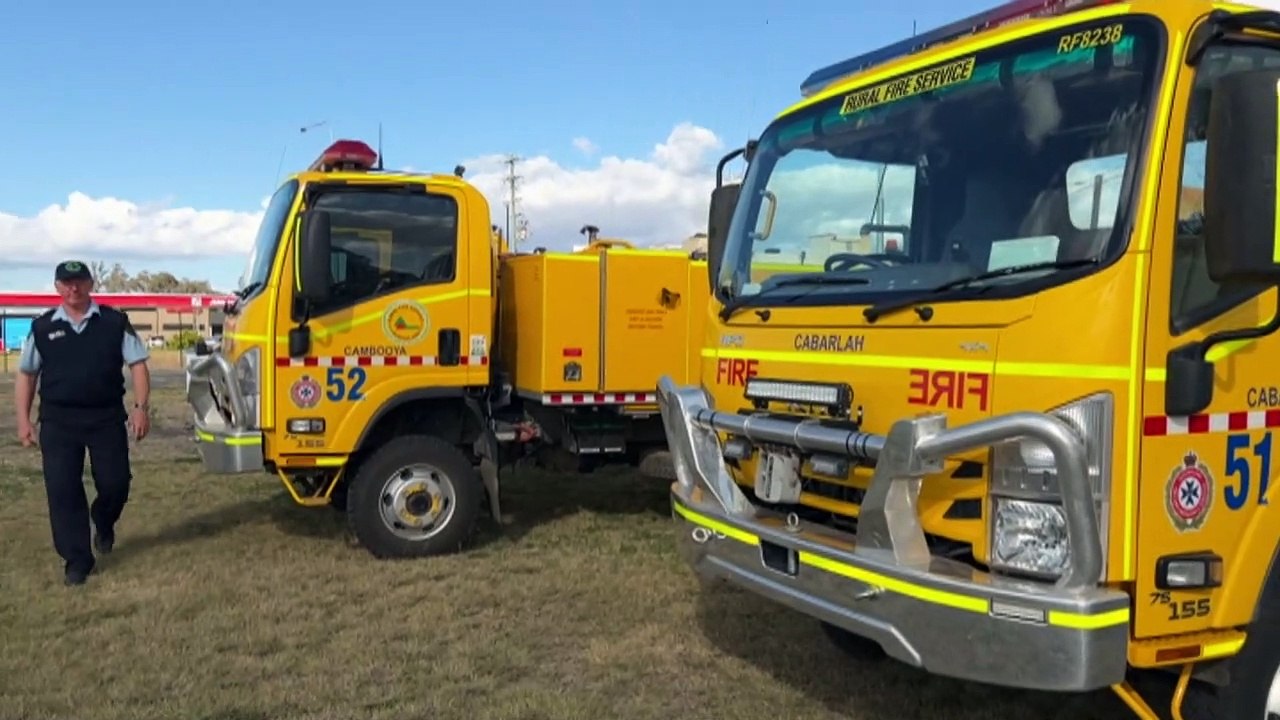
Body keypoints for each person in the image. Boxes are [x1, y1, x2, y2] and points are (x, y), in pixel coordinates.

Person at [13, 260, 152, 587]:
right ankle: (76, 560)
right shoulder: (42, 328)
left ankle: (103, 522)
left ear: (90, 284)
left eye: (79, 282)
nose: (73, 288)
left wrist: (141, 407)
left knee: (115, 483)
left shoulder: (115, 322)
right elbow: (27, 374)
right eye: (66, 283)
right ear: (57, 287)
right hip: (59, 420)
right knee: (62, 489)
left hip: (105, 417)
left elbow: (138, 365)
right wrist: (23, 419)